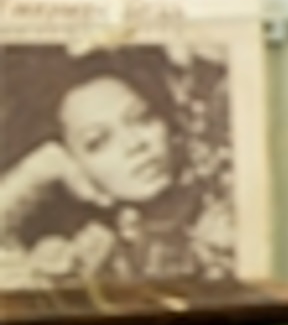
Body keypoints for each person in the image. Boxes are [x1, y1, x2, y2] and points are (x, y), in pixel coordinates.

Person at [0, 48, 232, 288]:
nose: (134, 144)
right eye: (98, 141)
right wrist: (35, 171)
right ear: (72, 164)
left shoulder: (224, 199)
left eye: (142, 119)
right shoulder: (82, 258)